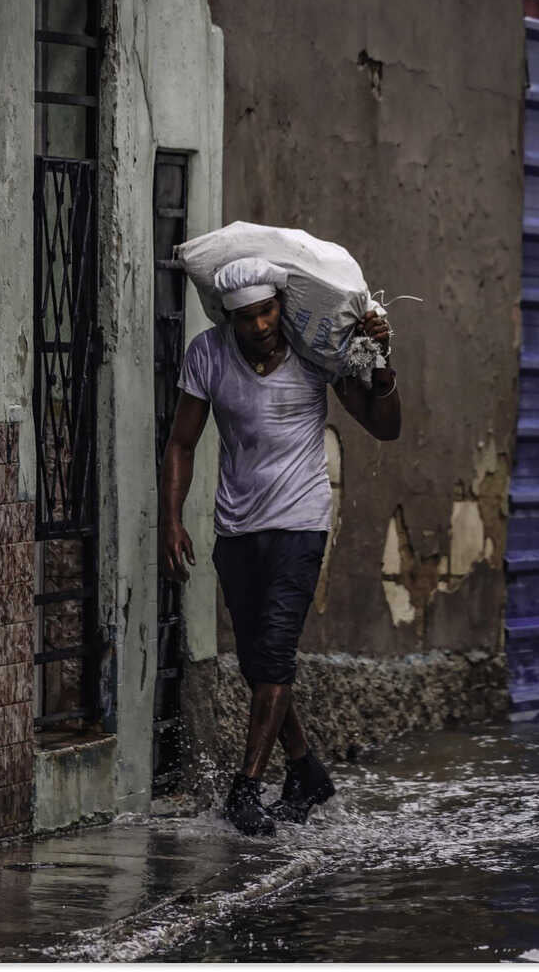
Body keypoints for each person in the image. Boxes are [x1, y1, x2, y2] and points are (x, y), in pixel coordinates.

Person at [160, 257, 400, 836]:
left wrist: (384, 364)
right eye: (248, 317)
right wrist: (171, 519)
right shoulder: (208, 353)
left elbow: (383, 425)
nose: (261, 326)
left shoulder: (314, 350)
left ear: (280, 309)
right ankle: (305, 771)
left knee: (273, 654)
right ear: (229, 316)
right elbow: (182, 444)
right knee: (255, 661)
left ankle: (246, 788)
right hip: (237, 526)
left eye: (268, 312)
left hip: (301, 520)